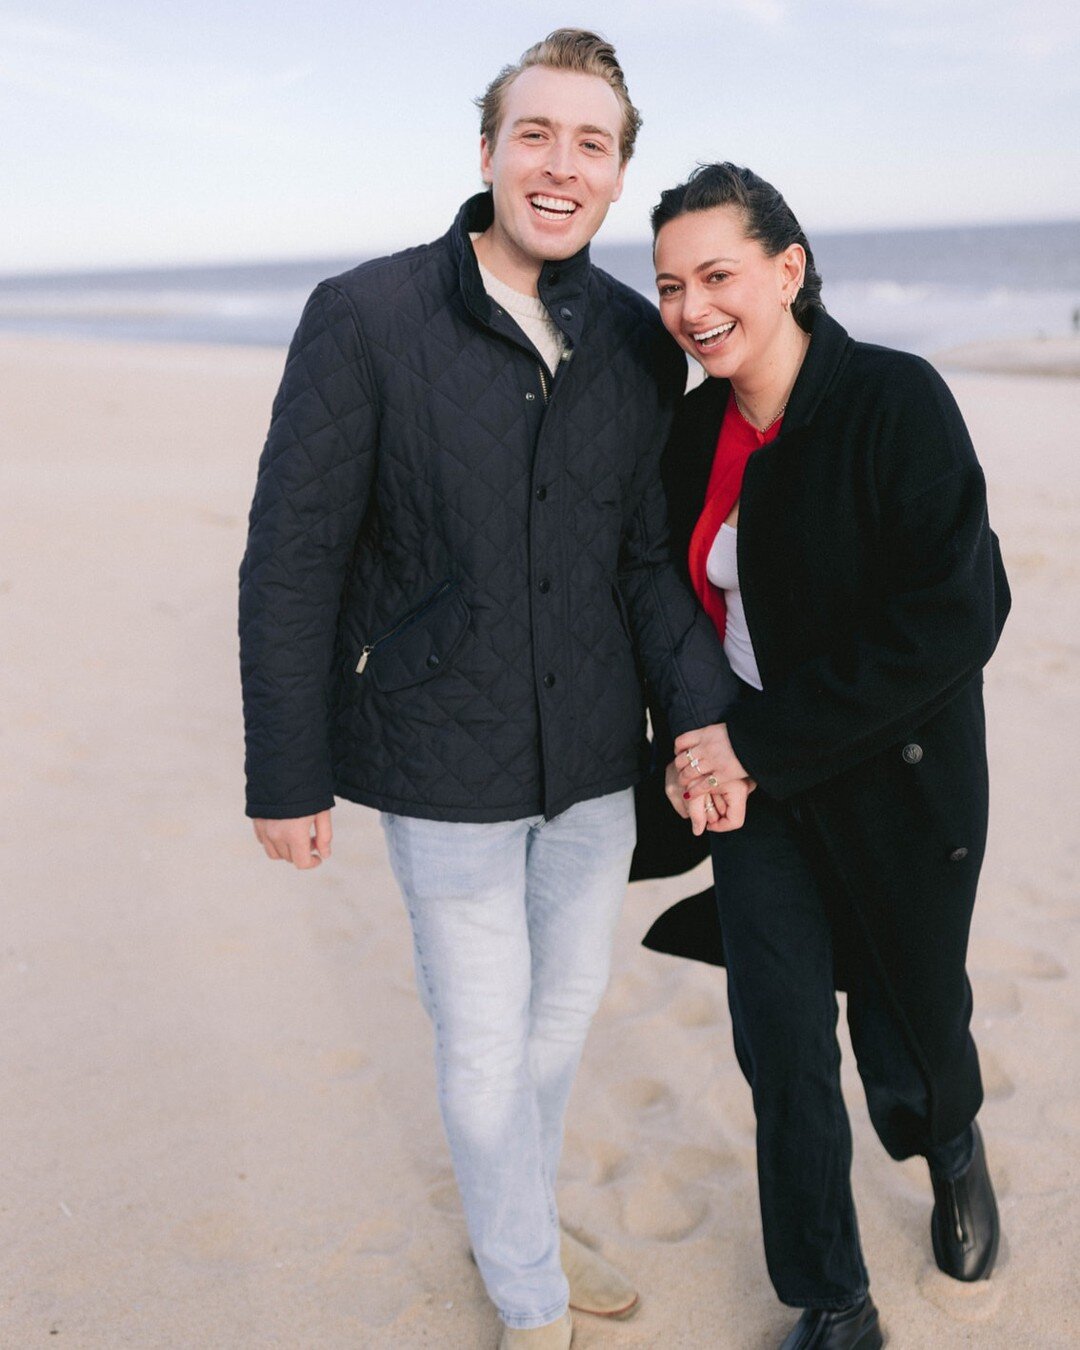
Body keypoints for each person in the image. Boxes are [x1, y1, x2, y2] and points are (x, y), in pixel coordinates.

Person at [238, 34, 748, 1349]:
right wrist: (286, 773)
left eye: (592, 142)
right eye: (538, 134)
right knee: (480, 1049)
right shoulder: (366, 316)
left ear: (618, 172)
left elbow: (645, 561)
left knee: (554, 1029)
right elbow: (293, 556)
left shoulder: (641, 345)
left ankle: (509, 1210)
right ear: (488, 151)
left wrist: (700, 716)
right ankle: (528, 1292)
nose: (560, 163)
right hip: (434, 752)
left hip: (589, 760)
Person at [646, 163, 1010, 1350]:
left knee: (910, 1026)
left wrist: (750, 740)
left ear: (788, 271)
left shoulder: (894, 402)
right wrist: (688, 749)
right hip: (760, 797)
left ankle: (948, 1147)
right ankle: (832, 1297)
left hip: (898, 777)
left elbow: (958, 615)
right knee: (781, 1037)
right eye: (667, 286)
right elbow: (671, 605)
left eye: (717, 275)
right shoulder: (695, 427)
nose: (693, 308)